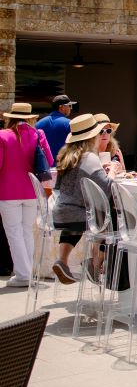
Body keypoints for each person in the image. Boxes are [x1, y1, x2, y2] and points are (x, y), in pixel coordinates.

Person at [50, 114, 109, 284]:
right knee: (108, 216)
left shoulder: (66, 154)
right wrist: (112, 171)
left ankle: (62, 261)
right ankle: (96, 262)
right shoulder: (89, 157)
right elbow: (106, 188)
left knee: (81, 217)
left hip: (60, 212)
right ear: (92, 137)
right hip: (78, 215)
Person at [0, 103, 55, 287]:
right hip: (32, 190)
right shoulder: (38, 134)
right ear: (30, 117)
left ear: (10, 117)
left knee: (14, 233)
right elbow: (49, 160)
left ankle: (23, 275)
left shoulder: (2, 135)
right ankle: (26, 272)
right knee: (26, 232)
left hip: (7, 191)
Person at [36, 94, 75, 159]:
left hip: (43, 165)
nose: (71, 108)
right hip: (62, 164)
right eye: (69, 106)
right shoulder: (69, 123)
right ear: (62, 107)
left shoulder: (39, 123)